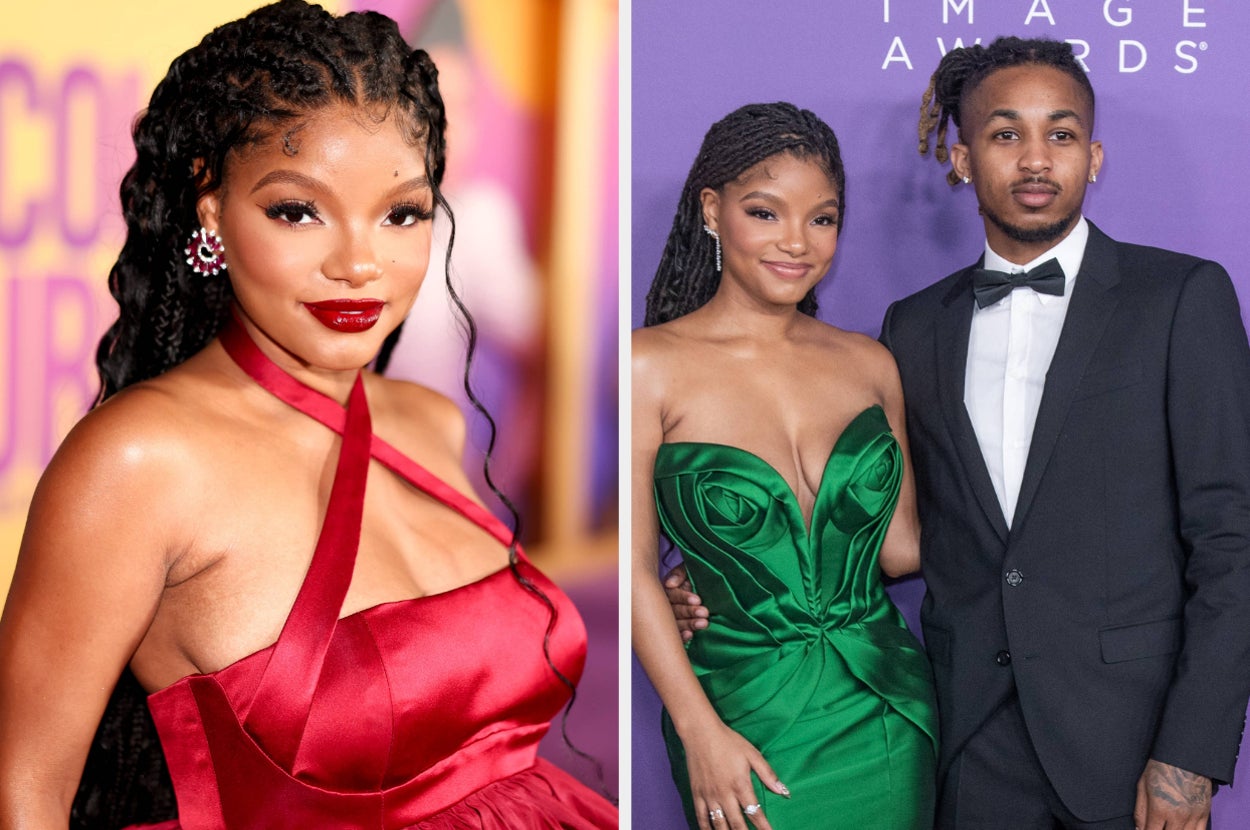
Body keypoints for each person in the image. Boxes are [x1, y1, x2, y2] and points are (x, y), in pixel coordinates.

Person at [0, 2, 617, 828]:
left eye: (402, 213)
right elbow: (25, 794)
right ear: (211, 208)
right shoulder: (140, 464)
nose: (360, 264)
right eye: (298, 210)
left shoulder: (436, 423)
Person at [672, 37, 1250, 830]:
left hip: (1131, 742)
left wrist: (1191, 753)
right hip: (963, 737)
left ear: (1096, 155)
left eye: (1063, 133)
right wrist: (723, 574)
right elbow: (897, 531)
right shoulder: (910, 329)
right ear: (962, 158)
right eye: (1007, 134)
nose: (1038, 159)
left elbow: (1231, 540)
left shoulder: (1181, 297)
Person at [633, 102, 937, 830]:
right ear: (712, 209)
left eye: (822, 219)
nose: (797, 243)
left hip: (889, 707)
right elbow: (632, 566)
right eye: (766, 213)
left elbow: (902, 550)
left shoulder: (870, 364)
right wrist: (699, 731)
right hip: (738, 716)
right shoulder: (649, 366)